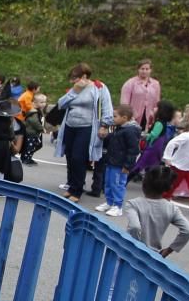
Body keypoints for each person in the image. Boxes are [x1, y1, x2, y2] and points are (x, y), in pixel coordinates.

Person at [54, 63, 113, 203]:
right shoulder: (74, 89)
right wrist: (74, 91)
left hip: (86, 127)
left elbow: (107, 107)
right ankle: (71, 185)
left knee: (78, 157)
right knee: (69, 156)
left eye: (75, 78)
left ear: (84, 76)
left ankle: (77, 189)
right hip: (70, 125)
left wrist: (104, 125)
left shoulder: (99, 88)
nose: (72, 81)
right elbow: (61, 104)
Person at [124, 166, 189, 258]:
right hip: (154, 255)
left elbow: (134, 227)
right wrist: (169, 250)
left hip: (131, 253)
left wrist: (135, 246)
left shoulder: (133, 204)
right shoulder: (172, 208)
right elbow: (188, 231)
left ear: (144, 184)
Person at [95, 104, 141, 218]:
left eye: (115, 116)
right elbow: (114, 141)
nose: (113, 119)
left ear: (124, 118)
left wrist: (128, 165)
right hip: (112, 161)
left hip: (120, 164)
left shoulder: (130, 131)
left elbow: (133, 150)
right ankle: (110, 202)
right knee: (108, 183)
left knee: (117, 184)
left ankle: (118, 205)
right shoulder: (120, 129)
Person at [130, 100, 177, 180]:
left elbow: (154, 135)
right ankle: (151, 182)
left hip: (152, 148)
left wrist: (143, 135)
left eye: (157, 107)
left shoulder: (159, 123)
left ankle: (126, 179)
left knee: (140, 164)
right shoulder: (164, 122)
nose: (154, 108)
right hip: (157, 149)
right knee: (151, 167)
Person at [119, 59, 160, 130]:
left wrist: (154, 113)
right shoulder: (130, 83)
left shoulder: (156, 84)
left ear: (151, 70)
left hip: (149, 118)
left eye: (147, 69)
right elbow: (124, 102)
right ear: (138, 70)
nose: (144, 71)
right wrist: (129, 115)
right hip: (133, 117)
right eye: (142, 69)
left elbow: (157, 102)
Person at [21, 93, 46, 165]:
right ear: (35, 103)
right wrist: (41, 128)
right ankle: (26, 158)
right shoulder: (34, 112)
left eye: (44, 102)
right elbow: (34, 122)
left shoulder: (38, 111)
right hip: (31, 133)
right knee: (29, 147)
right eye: (41, 102)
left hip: (35, 133)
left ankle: (29, 157)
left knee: (34, 146)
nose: (44, 104)